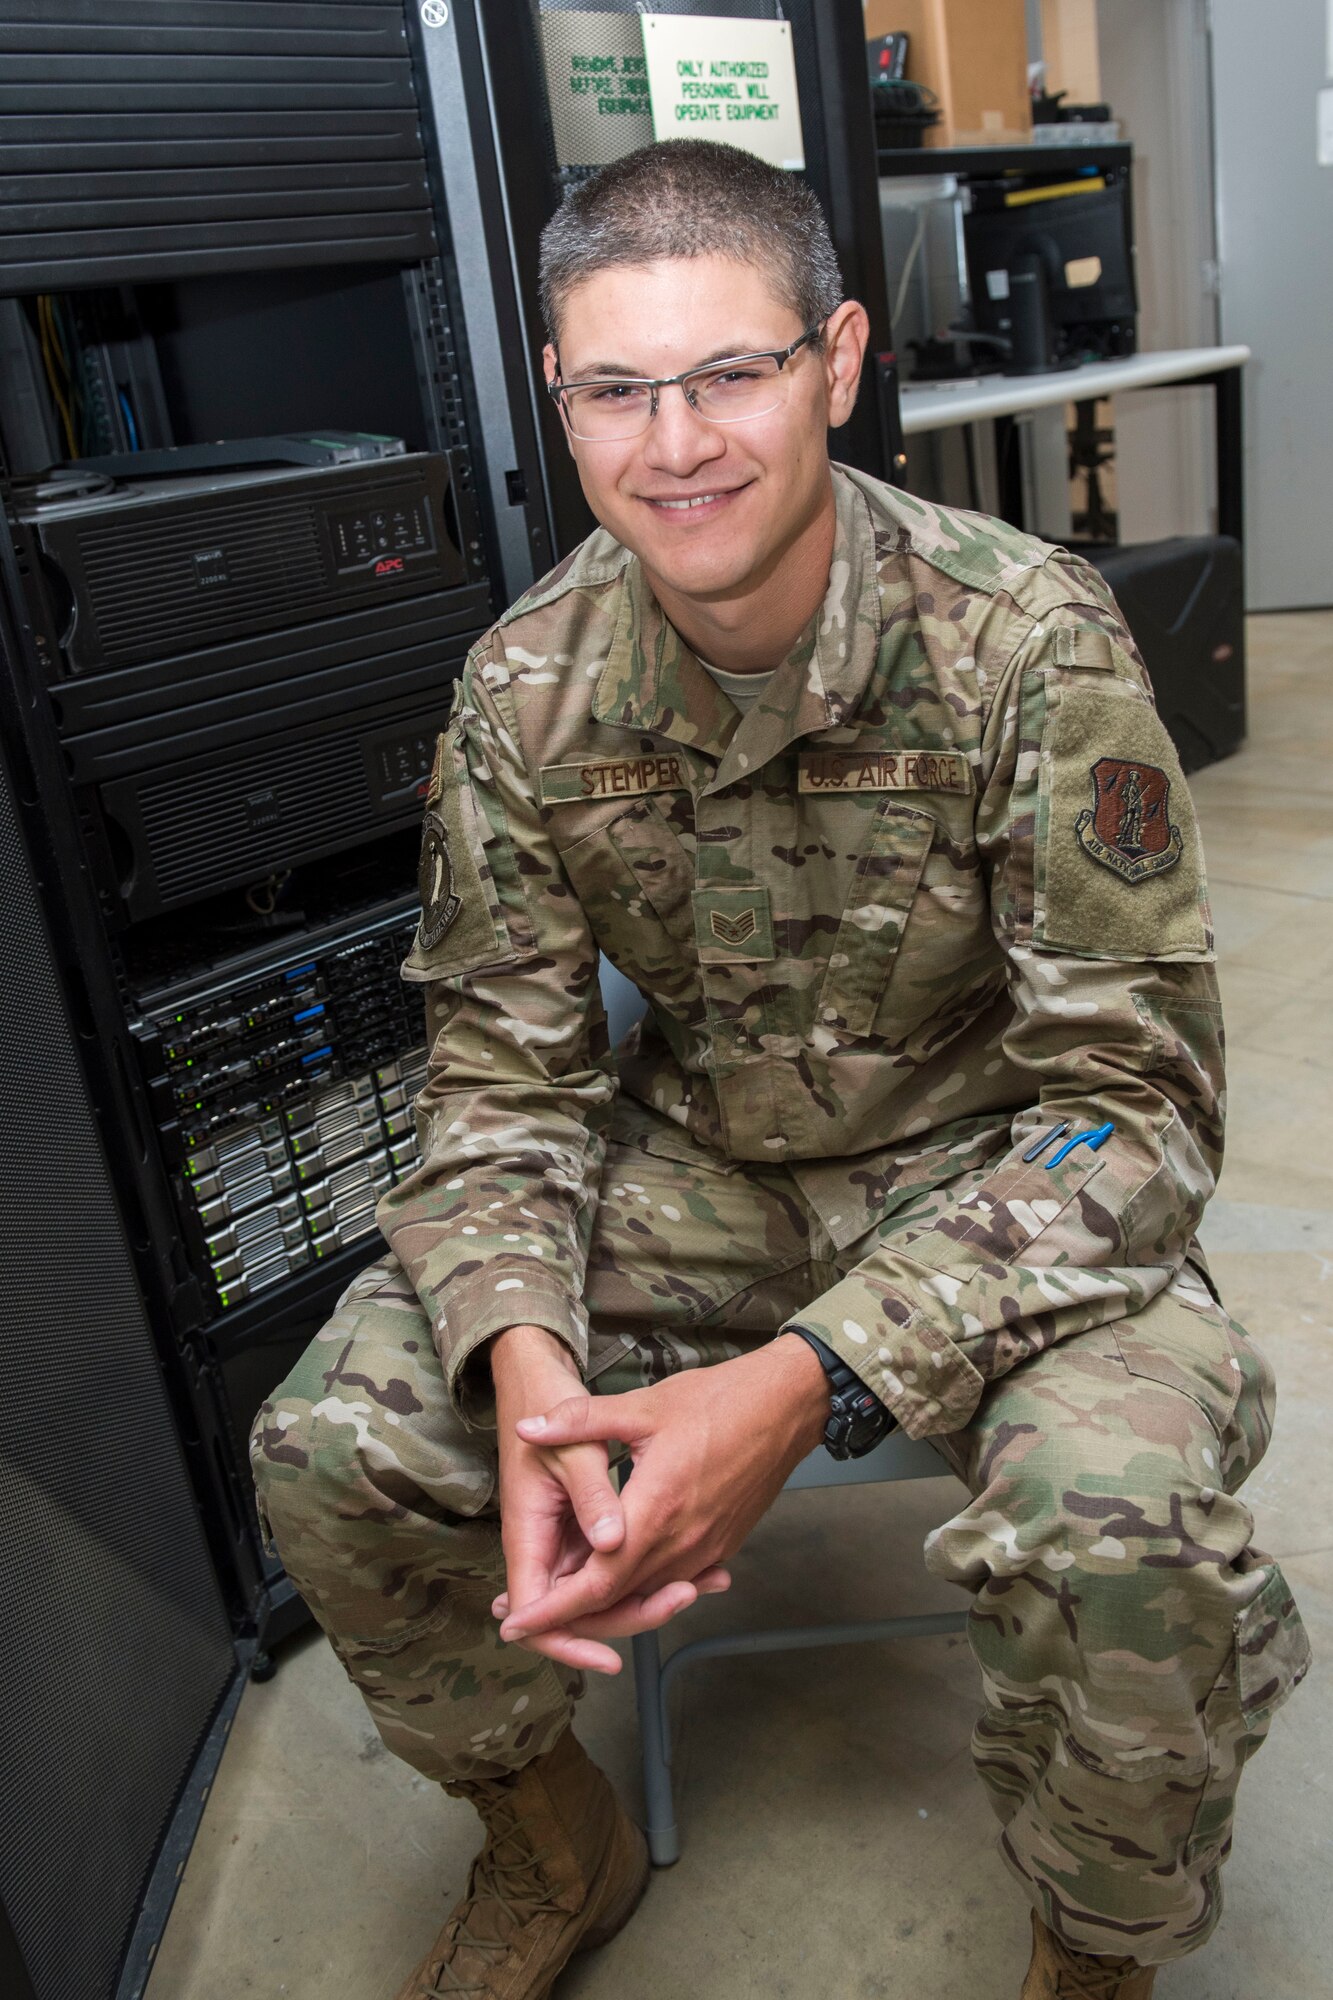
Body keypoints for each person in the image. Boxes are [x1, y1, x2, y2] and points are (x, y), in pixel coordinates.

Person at [250, 140, 1309, 2000]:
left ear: (833, 360)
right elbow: (501, 1083)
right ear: (556, 401)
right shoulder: (521, 692)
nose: (676, 446)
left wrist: (808, 1382)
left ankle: (1095, 1943)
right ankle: (544, 1834)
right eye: (616, 390)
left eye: (729, 373)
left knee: (1120, 1526)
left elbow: (1131, 1107)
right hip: (699, 1169)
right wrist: (526, 1368)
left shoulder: (1024, 642)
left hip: (996, 1177)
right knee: (334, 1441)